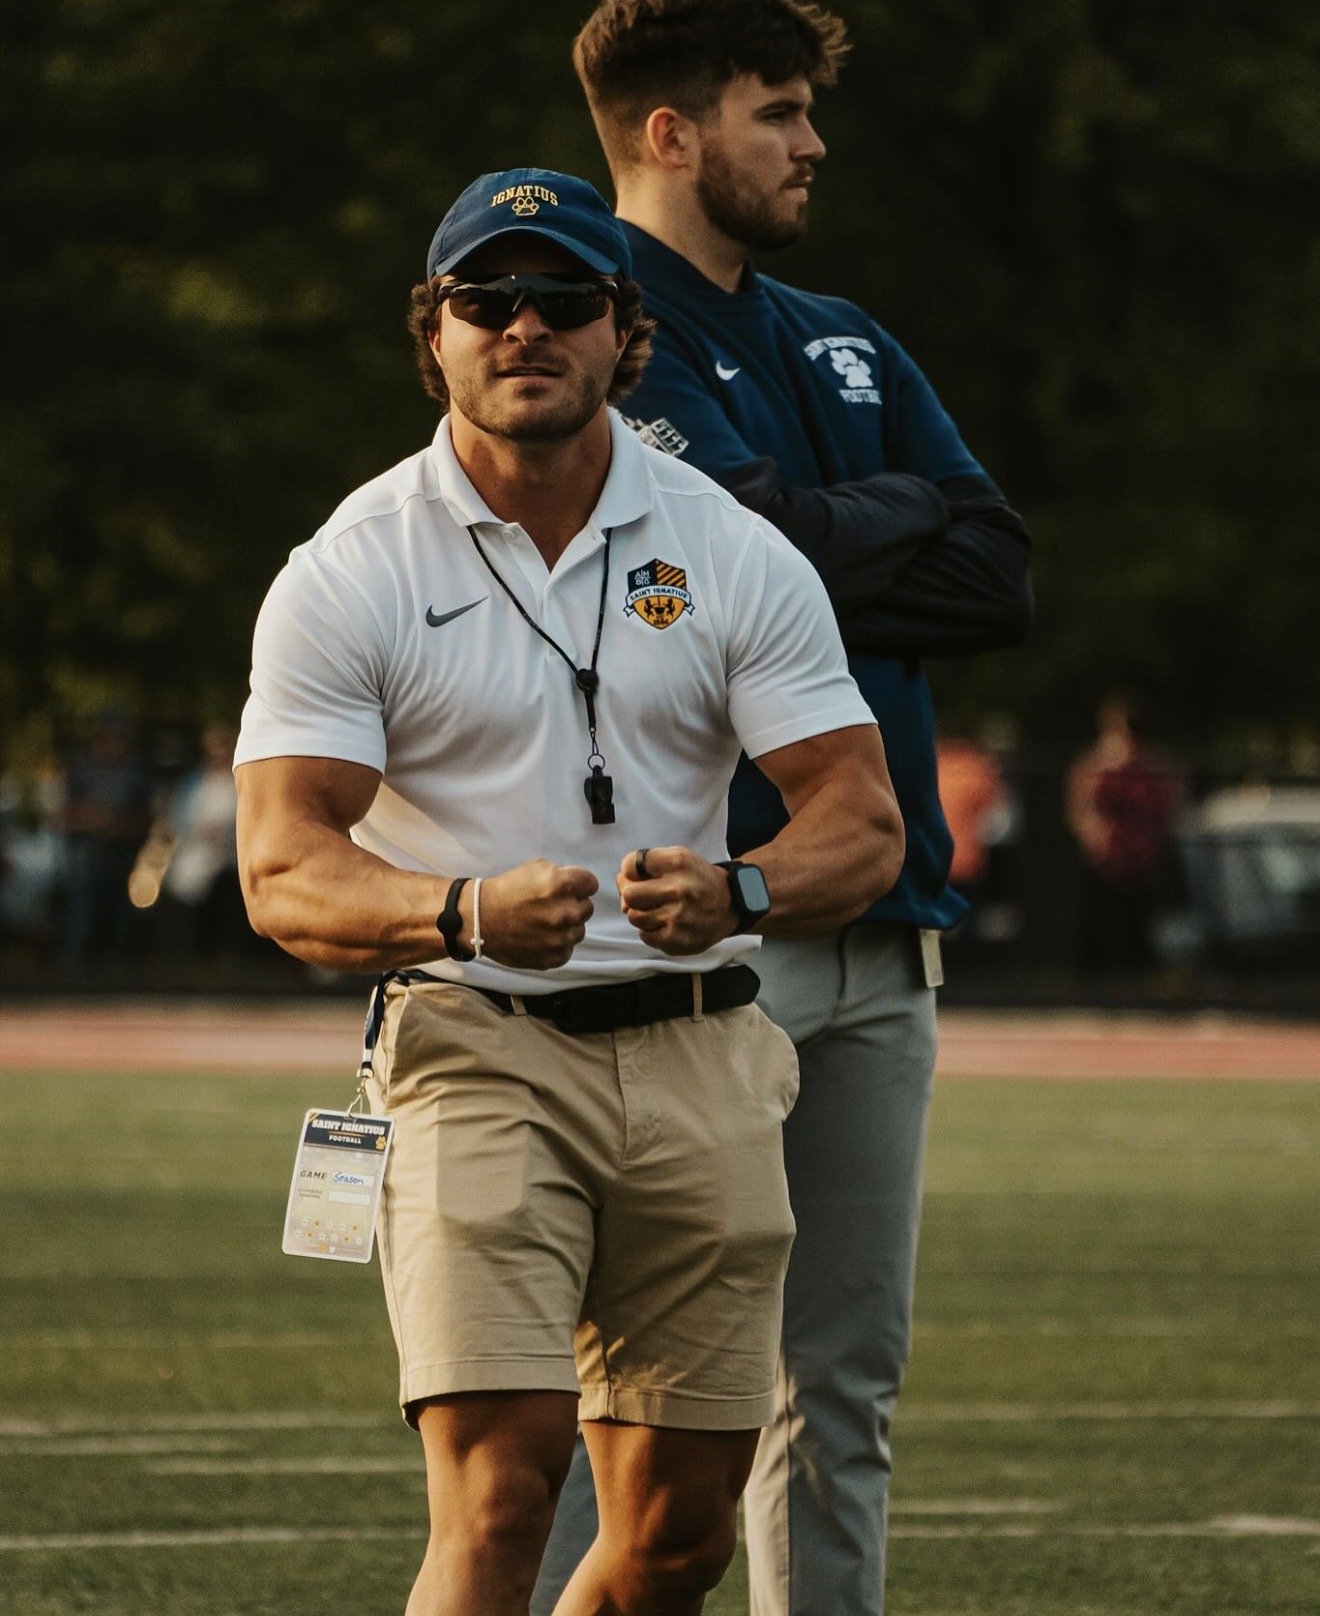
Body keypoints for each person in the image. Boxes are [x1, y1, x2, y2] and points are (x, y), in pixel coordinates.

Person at [233, 166, 904, 1616]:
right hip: (471, 1040)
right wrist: (462, 911)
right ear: (435, 331)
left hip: (699, 1041)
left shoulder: (729, 547)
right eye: (486, 297)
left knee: (679, 1536)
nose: (522, 326)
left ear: (625, 330)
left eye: (562, 298)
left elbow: (861, 820)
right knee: (504, 1486)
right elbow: (283, 864)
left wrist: (740, 887)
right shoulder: (350, 566)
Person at [533, 7, 1034, 1616]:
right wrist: (874, 525)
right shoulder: (585, 327)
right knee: (616, 1388)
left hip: (883, 916)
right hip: (695, 923)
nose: (814, 144)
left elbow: (998, 574)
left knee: (843, 1389)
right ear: (671, 134)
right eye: (780, 111)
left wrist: (799, 537)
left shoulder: (841, 330)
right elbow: (716, 567)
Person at [1066, 694, 1181, 972]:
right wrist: (1096, 840)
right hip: (1107, 858)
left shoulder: (1153, 763)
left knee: (1140, 930)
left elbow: (1170, 804)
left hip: (1141, 858)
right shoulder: (1096, 764)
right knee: (1101, 927)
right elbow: (1081, 806)